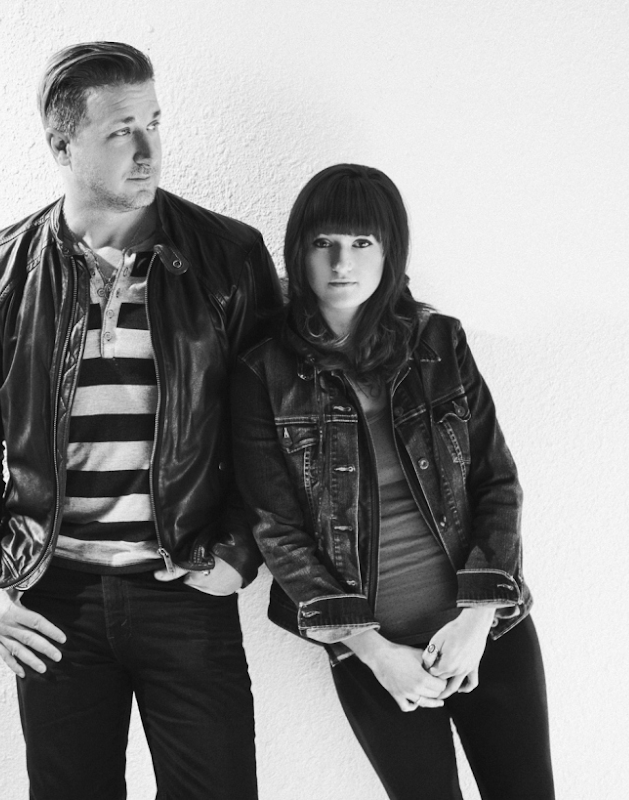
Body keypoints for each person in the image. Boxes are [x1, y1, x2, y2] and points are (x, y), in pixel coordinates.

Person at [0, 42, 281, 800]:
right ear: (63, 146)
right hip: (52, 595)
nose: (149, 149)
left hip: (186, 587)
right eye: (122, 130)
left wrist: (238, 552)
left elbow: (271, 428)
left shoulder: (229, 258)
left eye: (154, 121)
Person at [230, 164, 554, 799]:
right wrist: (375, 651)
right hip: (371, 653)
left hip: (487, 634)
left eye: (361, 242)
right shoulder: (262, 374)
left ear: (390, 251)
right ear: (298, 252)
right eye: (323, 243)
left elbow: (496, 481)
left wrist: (476, 620)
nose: (341, 262)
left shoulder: (440, 342)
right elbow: (278, 531)